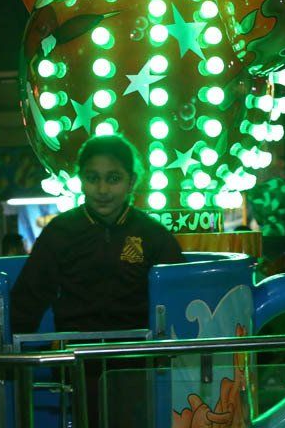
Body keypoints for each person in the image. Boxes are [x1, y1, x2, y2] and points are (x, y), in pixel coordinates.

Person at [11, 134, 185, 426]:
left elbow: (179, 298)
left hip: (134, 362)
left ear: (132, 181)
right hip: (78, 363)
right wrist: (12, 359)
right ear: (81, 180)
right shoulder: (60, 232)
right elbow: (29, 297)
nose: (102, 189)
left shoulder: (152, 235)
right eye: (93, 178)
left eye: (113, 178)